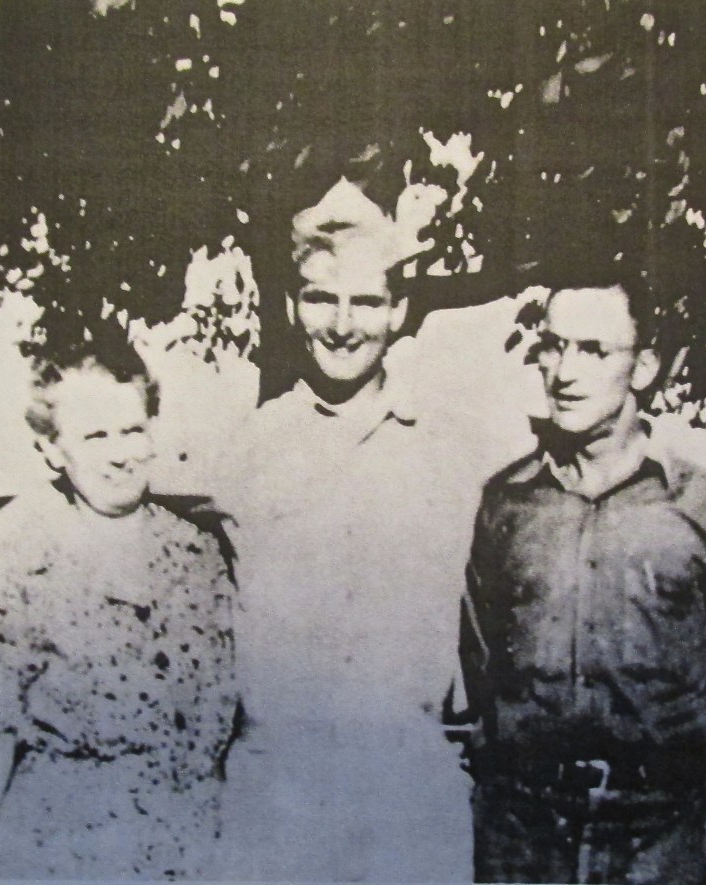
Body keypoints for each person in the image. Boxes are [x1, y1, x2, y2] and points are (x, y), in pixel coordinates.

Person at [459, 260, 706, 884]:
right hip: (525, 832)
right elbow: (480, 655)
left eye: (594, 350)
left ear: (646, 367)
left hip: (665, 834)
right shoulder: (505, 502)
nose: (565, 371)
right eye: (553, 346)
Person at [216, 177, 478, 882]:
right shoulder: (240, 451)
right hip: (275, 798)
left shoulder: (456, 454)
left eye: (367, 301)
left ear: (398, 312)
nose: (343, 323)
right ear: (292, 308)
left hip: (409, 793)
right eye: (322, 298)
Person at [0, 322, 239, 879]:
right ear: (53, 449)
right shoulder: (7, 560)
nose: (121, 456)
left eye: (131, 429)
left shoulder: (199, 556)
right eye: (95, 437)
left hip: (190, 853)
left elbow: (224, 737)